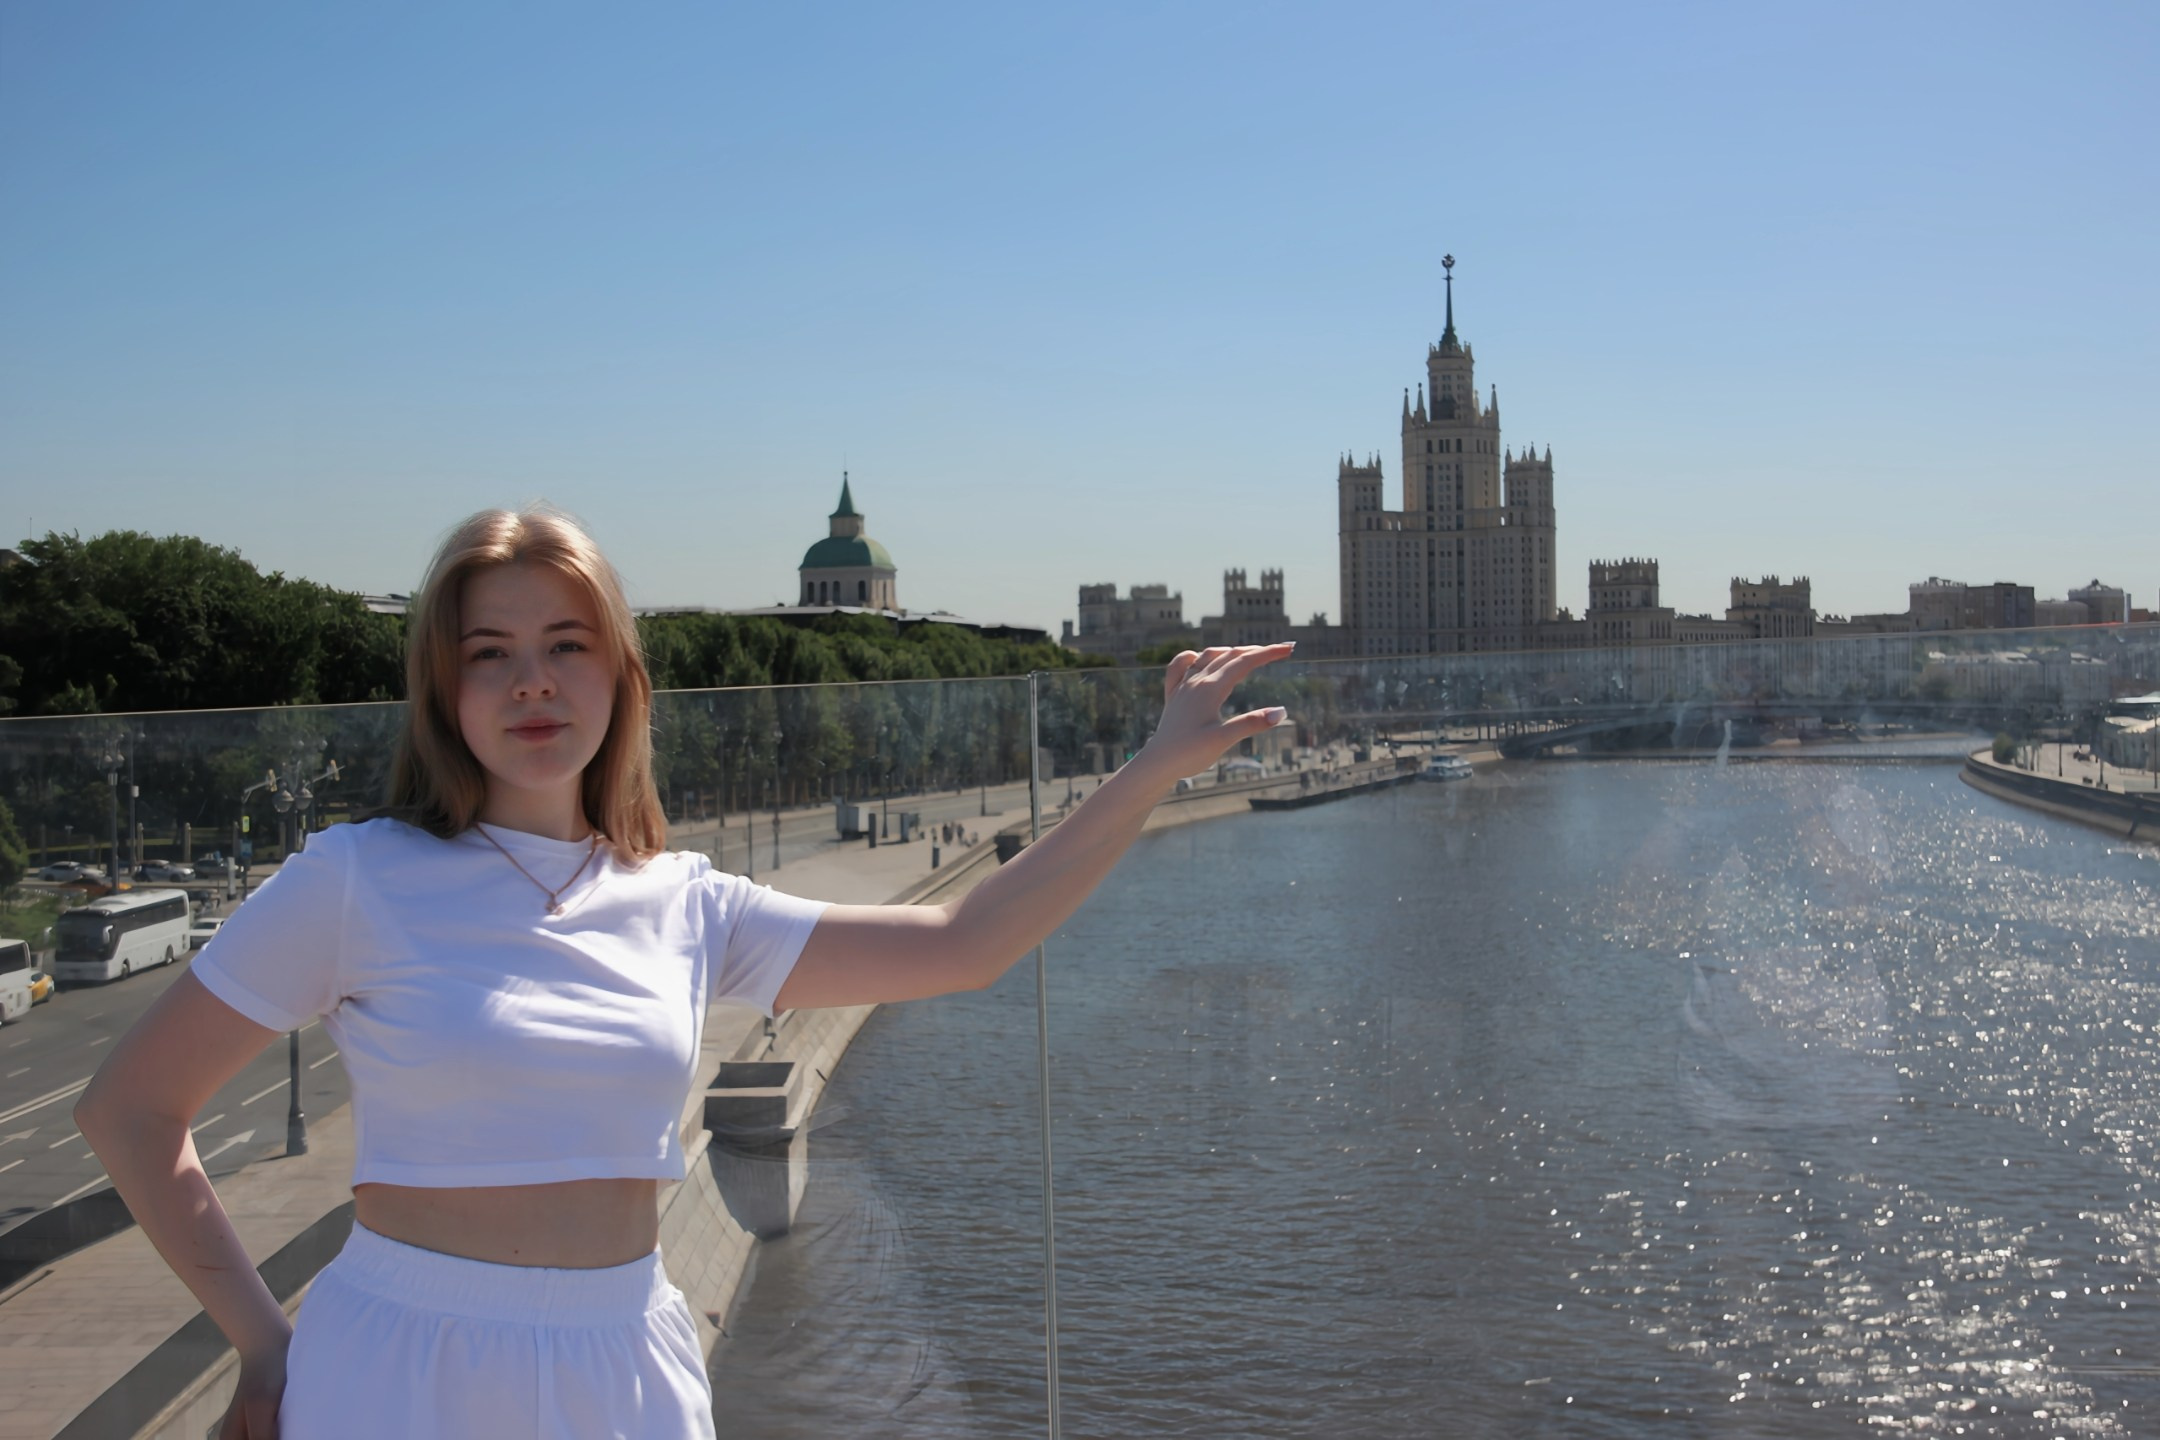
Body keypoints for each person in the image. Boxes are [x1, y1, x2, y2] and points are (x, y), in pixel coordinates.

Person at [75, 506, 1292, 1440]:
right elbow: (130, 1110)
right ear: (445, 691)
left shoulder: (684, 902)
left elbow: (963, 945)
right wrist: (264, 1340)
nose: (533, 680)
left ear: (620, 675)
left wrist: (1151, 770)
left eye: (566, 644)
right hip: (398, 1361)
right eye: (488, 653)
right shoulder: (358, 878)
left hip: (627, 1362)